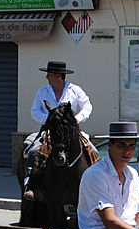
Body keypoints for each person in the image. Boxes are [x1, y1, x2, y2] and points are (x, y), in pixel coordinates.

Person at [23, 60, 92, 200]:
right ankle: (31, 184)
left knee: (92, 151)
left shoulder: (75, 90)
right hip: (48, 130)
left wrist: (77, 119)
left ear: (58, 76)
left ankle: (93, 183)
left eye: (49, 74)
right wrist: (51, 120)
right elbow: (34, 111)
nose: (46, 77)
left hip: (71, 130)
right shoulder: (42, 91)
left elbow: (87, 106)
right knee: (33, 151)